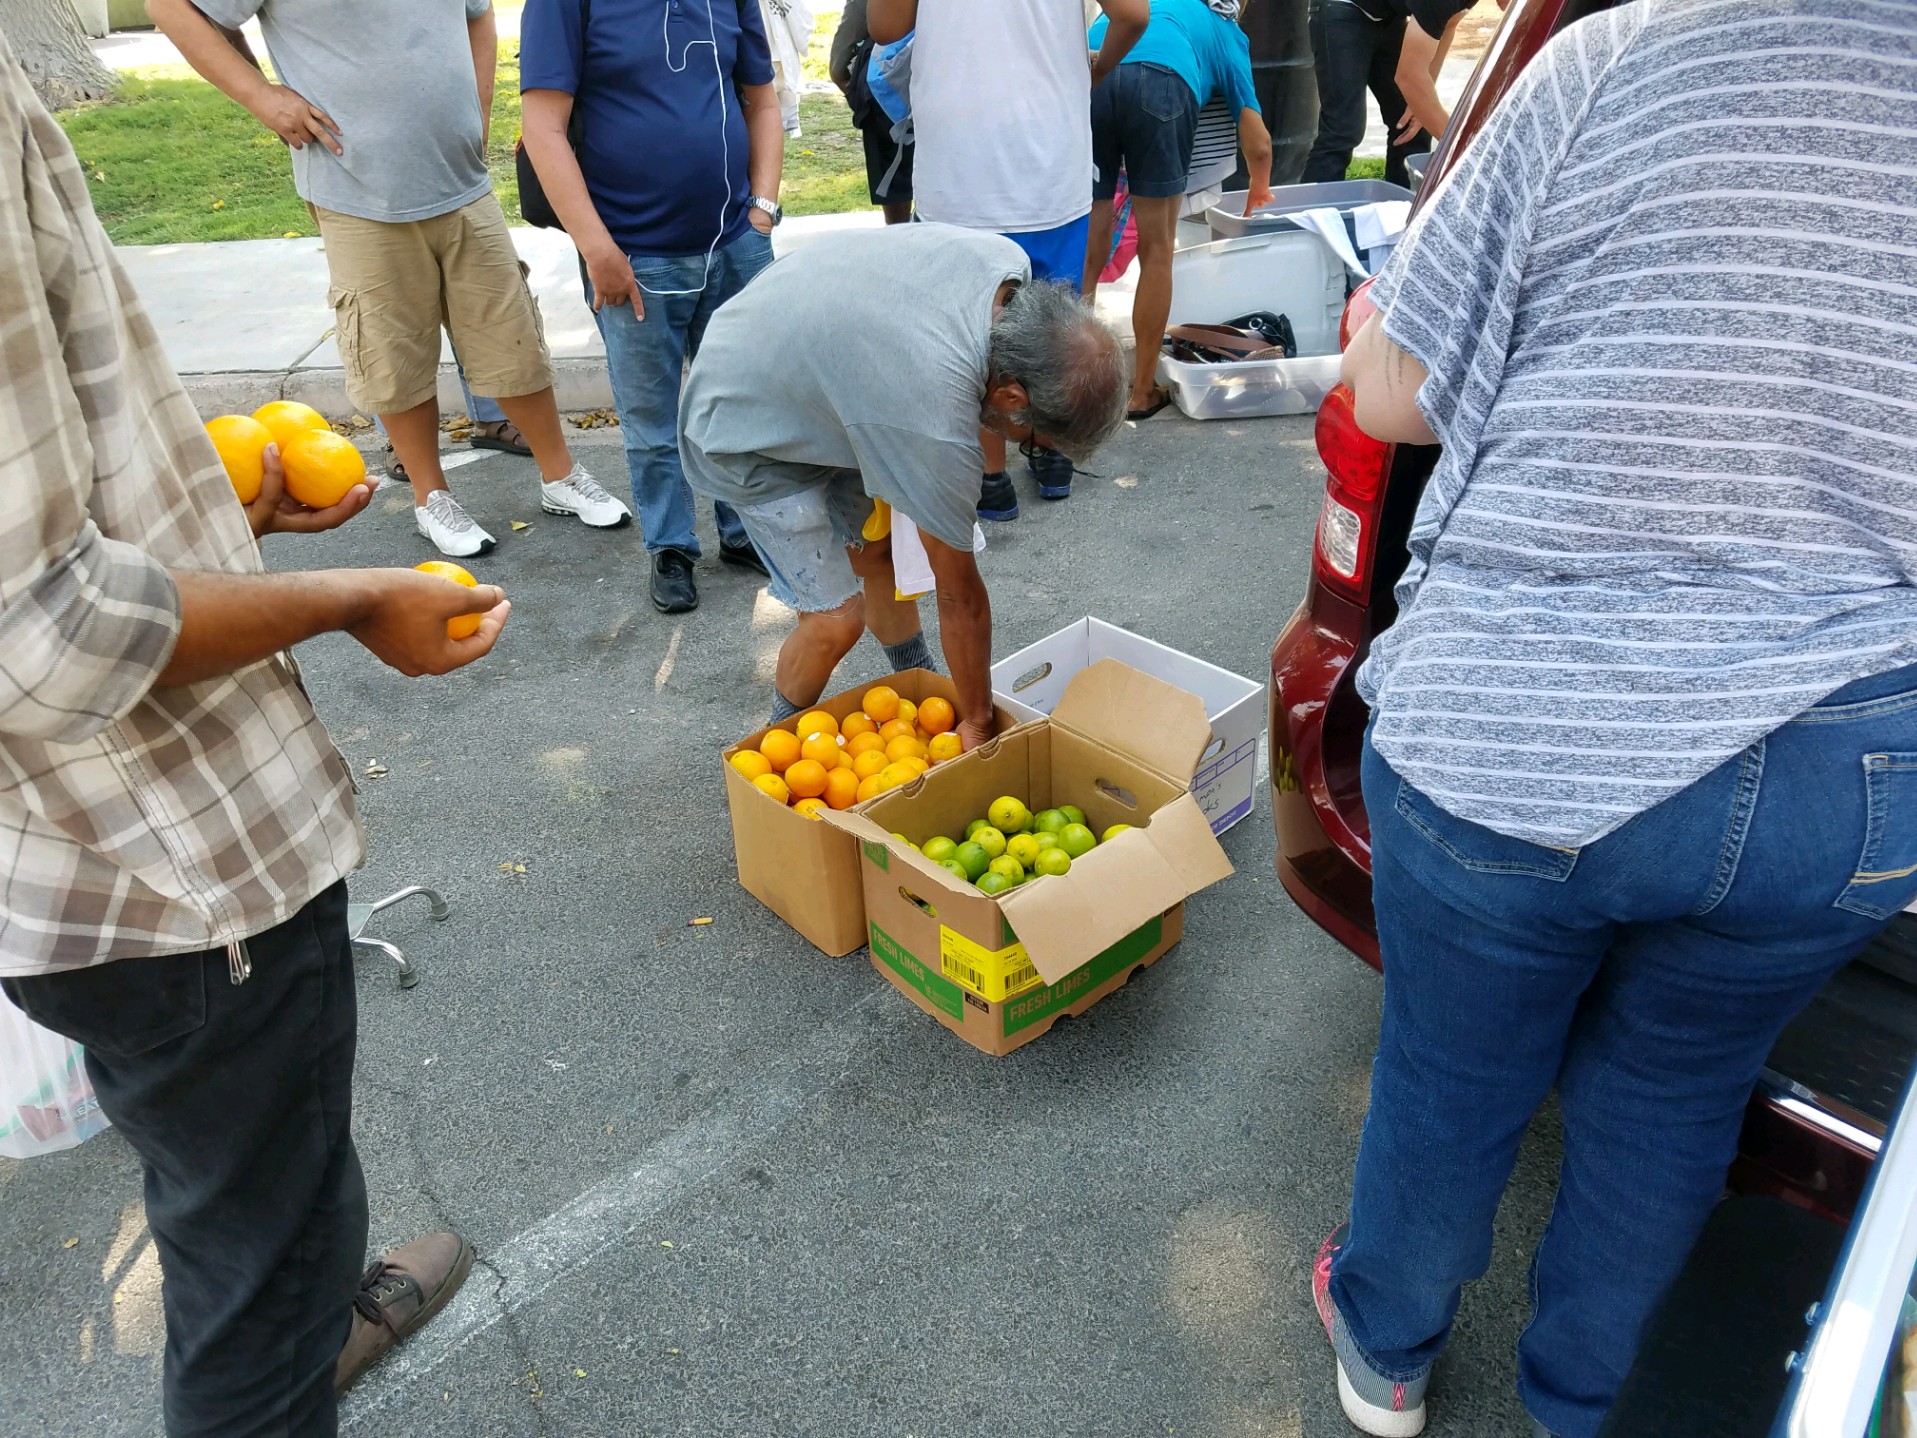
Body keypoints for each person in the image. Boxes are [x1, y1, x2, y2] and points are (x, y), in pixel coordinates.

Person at [1319, 3, 1917, 1436]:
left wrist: (1365, 327)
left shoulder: (1616, 56)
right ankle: (1588, 1399)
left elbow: (1395, 396)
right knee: (1674, 1095)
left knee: (1450, 1073)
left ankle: (1384, 1347)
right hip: (1847, 767)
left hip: (1512, 723)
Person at [0, 34, 510, 1434]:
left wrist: (208, 520)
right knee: (244, 1268)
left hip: (92, 863)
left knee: (249, 1194)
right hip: (167, 882)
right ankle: (276, 1349)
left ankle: (297, 1307)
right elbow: (37, 629)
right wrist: (352, 598)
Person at [149, 0, 630, 559]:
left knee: (512, 339)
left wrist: (476, 111)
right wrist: (262, 97)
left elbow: (476, 15)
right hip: (357, 192)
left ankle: (561, 478)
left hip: (462, 184)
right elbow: (172, 7)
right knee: (392, 356)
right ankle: (432, 500)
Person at [678, 225, 1128, 737]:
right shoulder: (932, 414)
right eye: (1034, 441)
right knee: (834, 620)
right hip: (742, 415)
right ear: (1011, 398)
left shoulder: (1005, 265)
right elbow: (959, 593)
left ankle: (919, 683)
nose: (1025, 447)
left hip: (824, 373)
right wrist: (978, 719)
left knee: (880, 560)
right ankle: (768, 753)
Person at [520, 0, 786, 615]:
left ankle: (745, 530)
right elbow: (542, 127)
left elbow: (762, 99)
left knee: (742, 403)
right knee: (651, 420)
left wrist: (763, 210)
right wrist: (596, 247)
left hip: (734, 244)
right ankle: (671, 545)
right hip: (634, 258)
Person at [868, 0, 1147, 521]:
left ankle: (989, 477)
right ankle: (1055, 453)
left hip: (957, 173)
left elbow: (885, 27)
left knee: (970, 334)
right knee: (1059, 331)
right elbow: (1133, 14)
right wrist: (1097, 67)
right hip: (1049, 165)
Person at [1083, 0, 1273, 420]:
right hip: (1162, 86)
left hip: (1093, 71)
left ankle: (1074, 381)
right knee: (1157, 250)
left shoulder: (1133, 4)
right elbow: (1256, 138)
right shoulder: (1222, 25)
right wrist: (1259, 186)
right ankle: (1141, 392)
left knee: (1087, 244)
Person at [1299, 0, 1473, 189]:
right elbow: (1408, 77)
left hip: (1390, 15)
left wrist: (1421, 101)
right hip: (1341, 8)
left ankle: (1404, 211)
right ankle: (1309, 216)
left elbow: (1448, 25)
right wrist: (1466, 150)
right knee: (1343, 129)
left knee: (1414, 124)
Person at [831, 0, 914, 226]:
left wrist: (854, 91)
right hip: (951, 87)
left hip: (887, 90)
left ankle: (900, 240)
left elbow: (839, 67)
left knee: (894, 189)